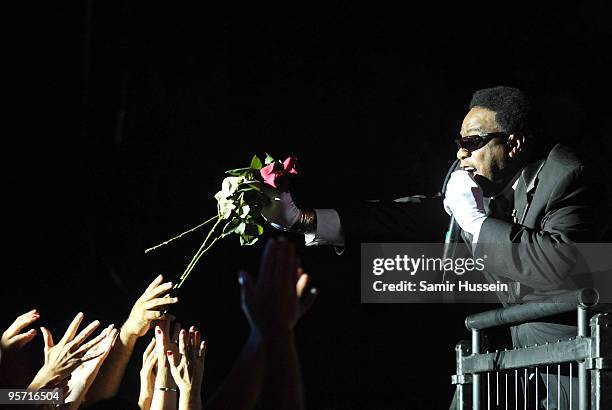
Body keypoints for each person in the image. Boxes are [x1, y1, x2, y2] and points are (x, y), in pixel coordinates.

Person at [261, 86, 605, 408]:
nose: (460, 153)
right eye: (460, 142)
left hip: (579, 367)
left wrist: (474, 220)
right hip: (520, 368)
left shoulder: (567, 173)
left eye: (473, 142)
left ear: (513, 144)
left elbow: (562, 265)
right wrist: (301, 218)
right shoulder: (490, 191)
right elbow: (406, 217)